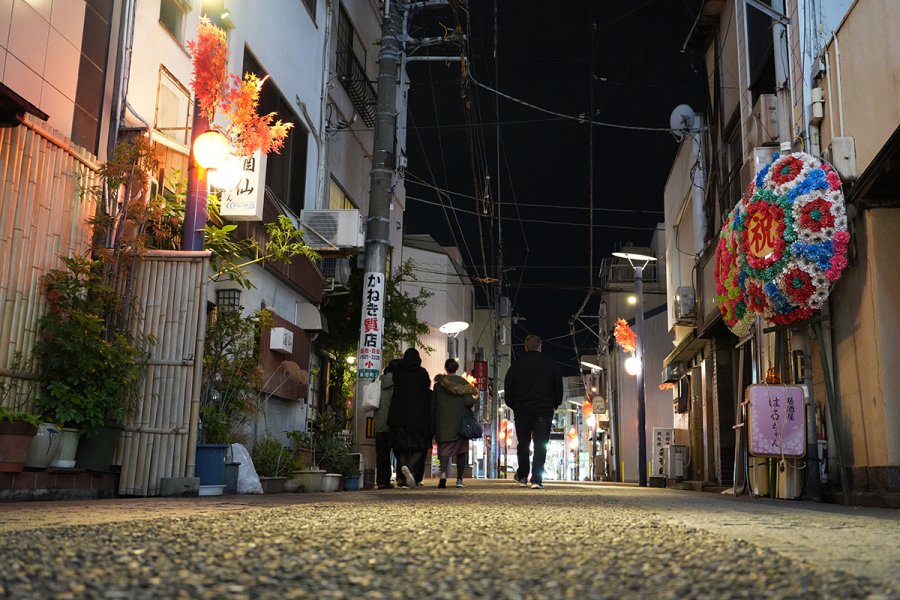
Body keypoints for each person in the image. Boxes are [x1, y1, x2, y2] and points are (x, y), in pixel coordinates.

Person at [503, 334, 563, 489]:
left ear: (526, 347)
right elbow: (558, 387)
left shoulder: (516, 366)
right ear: (540, 346)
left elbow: (508, 389)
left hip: (522, 409)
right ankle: (537, 479)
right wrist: (554, 404)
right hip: (544, 410)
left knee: (523, 443)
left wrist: (514, 405)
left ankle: (522, 475)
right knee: (540, 444)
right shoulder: (551, 364)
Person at [387, 347, 432, 488]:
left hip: (399, 416)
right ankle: (410, 467)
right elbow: (427, 388)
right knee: (420, 447)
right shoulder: (422, 373)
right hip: (419, 418)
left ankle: (404, 472)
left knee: (401, 448)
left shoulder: (398, 371)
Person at [432, 358, 478, 488]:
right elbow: (469, 402)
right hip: (460, 422)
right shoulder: (463, 383)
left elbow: (433, 405)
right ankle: (459, 479)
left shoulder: (438, 385)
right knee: (461, 451)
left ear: (446, 368)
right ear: (456, 368)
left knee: (444, 449)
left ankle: (443, 474)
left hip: (443, 422)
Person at [373, 360, 399, 489]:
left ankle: (382, 481)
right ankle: (401, 479)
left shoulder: (377, 381)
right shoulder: (400, 383)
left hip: (380, 423)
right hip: (395, 423)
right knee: (400, 452)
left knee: (382, 454)